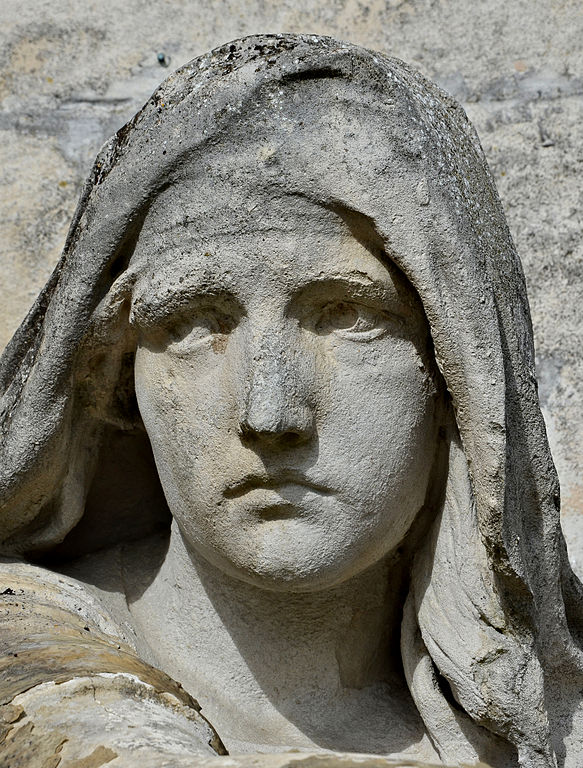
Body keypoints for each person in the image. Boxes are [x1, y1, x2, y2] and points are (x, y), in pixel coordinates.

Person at [0, 34, 581, 768]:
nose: (270, 415)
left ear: (454, 374)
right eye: (193, 323)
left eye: (348, 316)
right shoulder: (25, 662)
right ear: (112, 379)